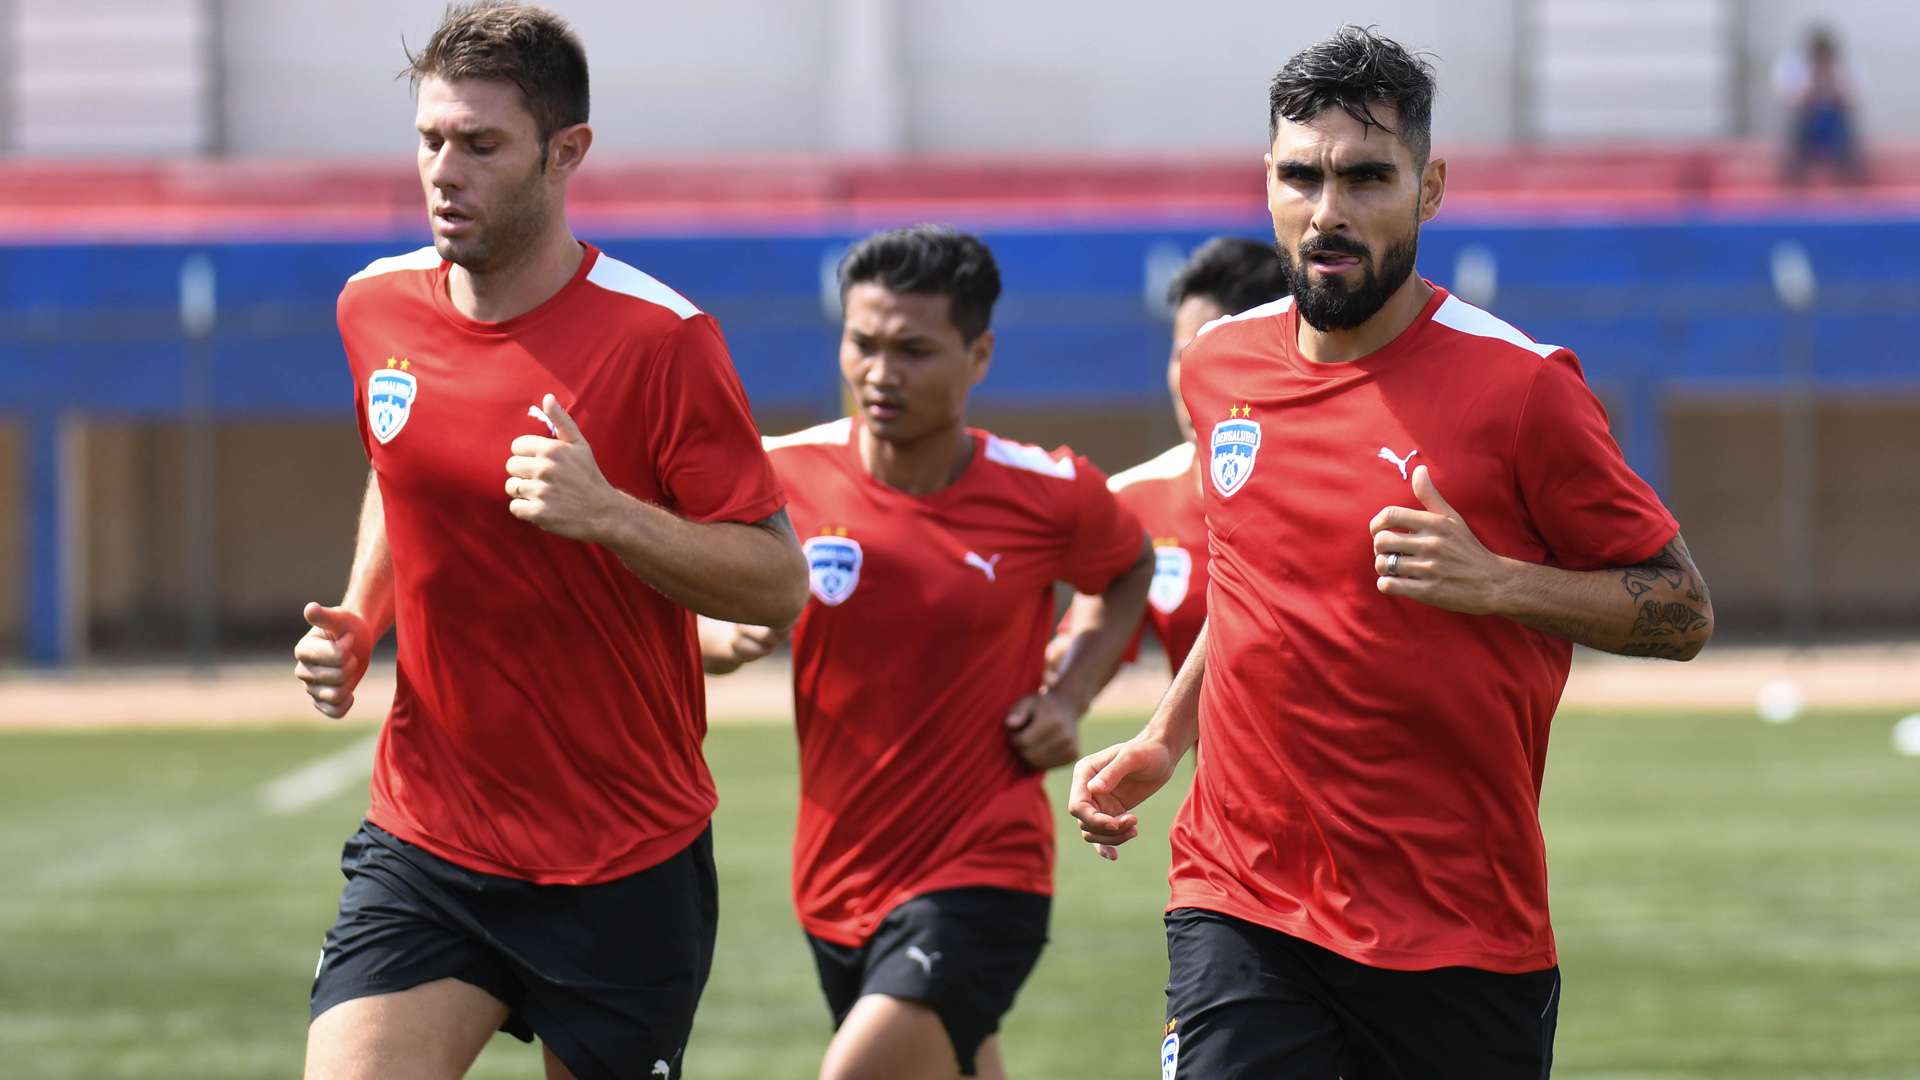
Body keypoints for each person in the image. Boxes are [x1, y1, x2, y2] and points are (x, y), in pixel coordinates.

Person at [1068, 27, 1714, 1080]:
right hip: (1244, 901)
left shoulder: (1523, 389)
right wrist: (1164, 739)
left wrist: (1498, 582)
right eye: (1301, 177)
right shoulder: (1220, 366)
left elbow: (1684, 610)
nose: (1329, 212)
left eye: (1368, 177)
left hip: (1459, 930)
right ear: (1268, 185)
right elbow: (1245, 589)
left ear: (1430, 187)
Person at [291, 5, 808, 1079]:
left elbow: (777, 582)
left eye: (481, 145)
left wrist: (610, 512)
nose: (445, 171)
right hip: (428, 841)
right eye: (431, 139)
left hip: (621, 859)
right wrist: (360, 615)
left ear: (565, 153)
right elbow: (401, 467)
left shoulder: (662, 339)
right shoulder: (372, 307)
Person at [700, 226, 1153, 1080]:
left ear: (978, 354)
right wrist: (719, 637)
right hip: (834, 879)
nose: (880, 372)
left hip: (986, 870)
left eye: (913, 349)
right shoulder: (777, 480)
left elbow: (1127, 567)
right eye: (862, 344)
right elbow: (669, 606)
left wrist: (1070, 695)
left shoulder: (1049, 492)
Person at [1049, 237, 1288, 682]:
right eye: (1182, 356)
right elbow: (1077, 654)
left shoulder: (1352, 485)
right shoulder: (1133, 502)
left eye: (1214, 354)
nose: (1191, 378)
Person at [1776, 25, 1865, 185]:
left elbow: (1852, 99)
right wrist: (1812, 87)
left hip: (1835, 120)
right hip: (1807, 121)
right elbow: (1792, 99)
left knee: (1847, 135)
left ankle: (1850, 182)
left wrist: (1833, 86)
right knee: (1795, 133)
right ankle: (1793, 183)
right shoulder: (1796, 68)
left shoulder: (1843, 68)